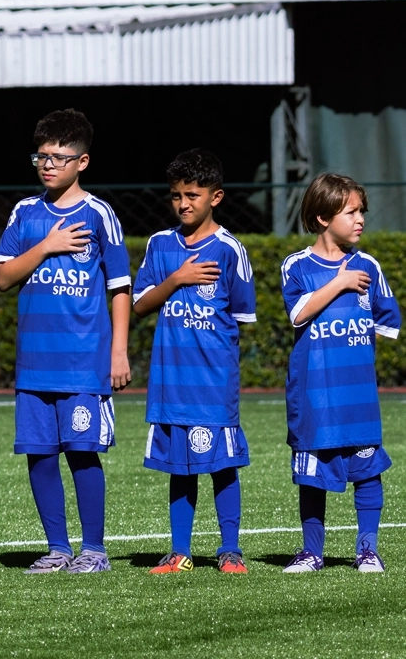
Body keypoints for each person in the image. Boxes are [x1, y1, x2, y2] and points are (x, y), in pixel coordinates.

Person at [0, 109, 130, 573]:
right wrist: (46, 247)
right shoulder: (26, 213)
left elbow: (120, 287)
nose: (48, 165)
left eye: (58, 157)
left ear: (83, 162)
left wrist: (118, 351)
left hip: (83, 362)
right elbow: (2, 277)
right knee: (40, 454)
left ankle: (94, 549)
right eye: (41, 156)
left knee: (82, 452)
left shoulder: (99, 214)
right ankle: (57, 548)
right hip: (35, 363)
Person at [132, 149, 256, 574]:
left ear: (215, 197)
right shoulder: (160, 245)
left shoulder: (229, 250)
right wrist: (176, 279)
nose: (183, 204)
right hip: (171, 382)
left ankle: (230, 550)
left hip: (213, 382)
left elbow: (241, 317)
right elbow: (140, 305)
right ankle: (180, 552)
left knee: (223, 465)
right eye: (175, 196)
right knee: (179, 467)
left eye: (193, 195)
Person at [280, 173, 400, 573]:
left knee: (367, 469)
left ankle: (368, 550)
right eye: (351, 212)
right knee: (313, 476)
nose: (360, 218)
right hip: (315, 395)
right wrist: (340, 282)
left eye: (362, 210)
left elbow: (386, 323)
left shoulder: (369, 266)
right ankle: (312, 552)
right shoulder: (296, 266)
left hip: (358, 396)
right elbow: (298, 313)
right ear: (321, 218)